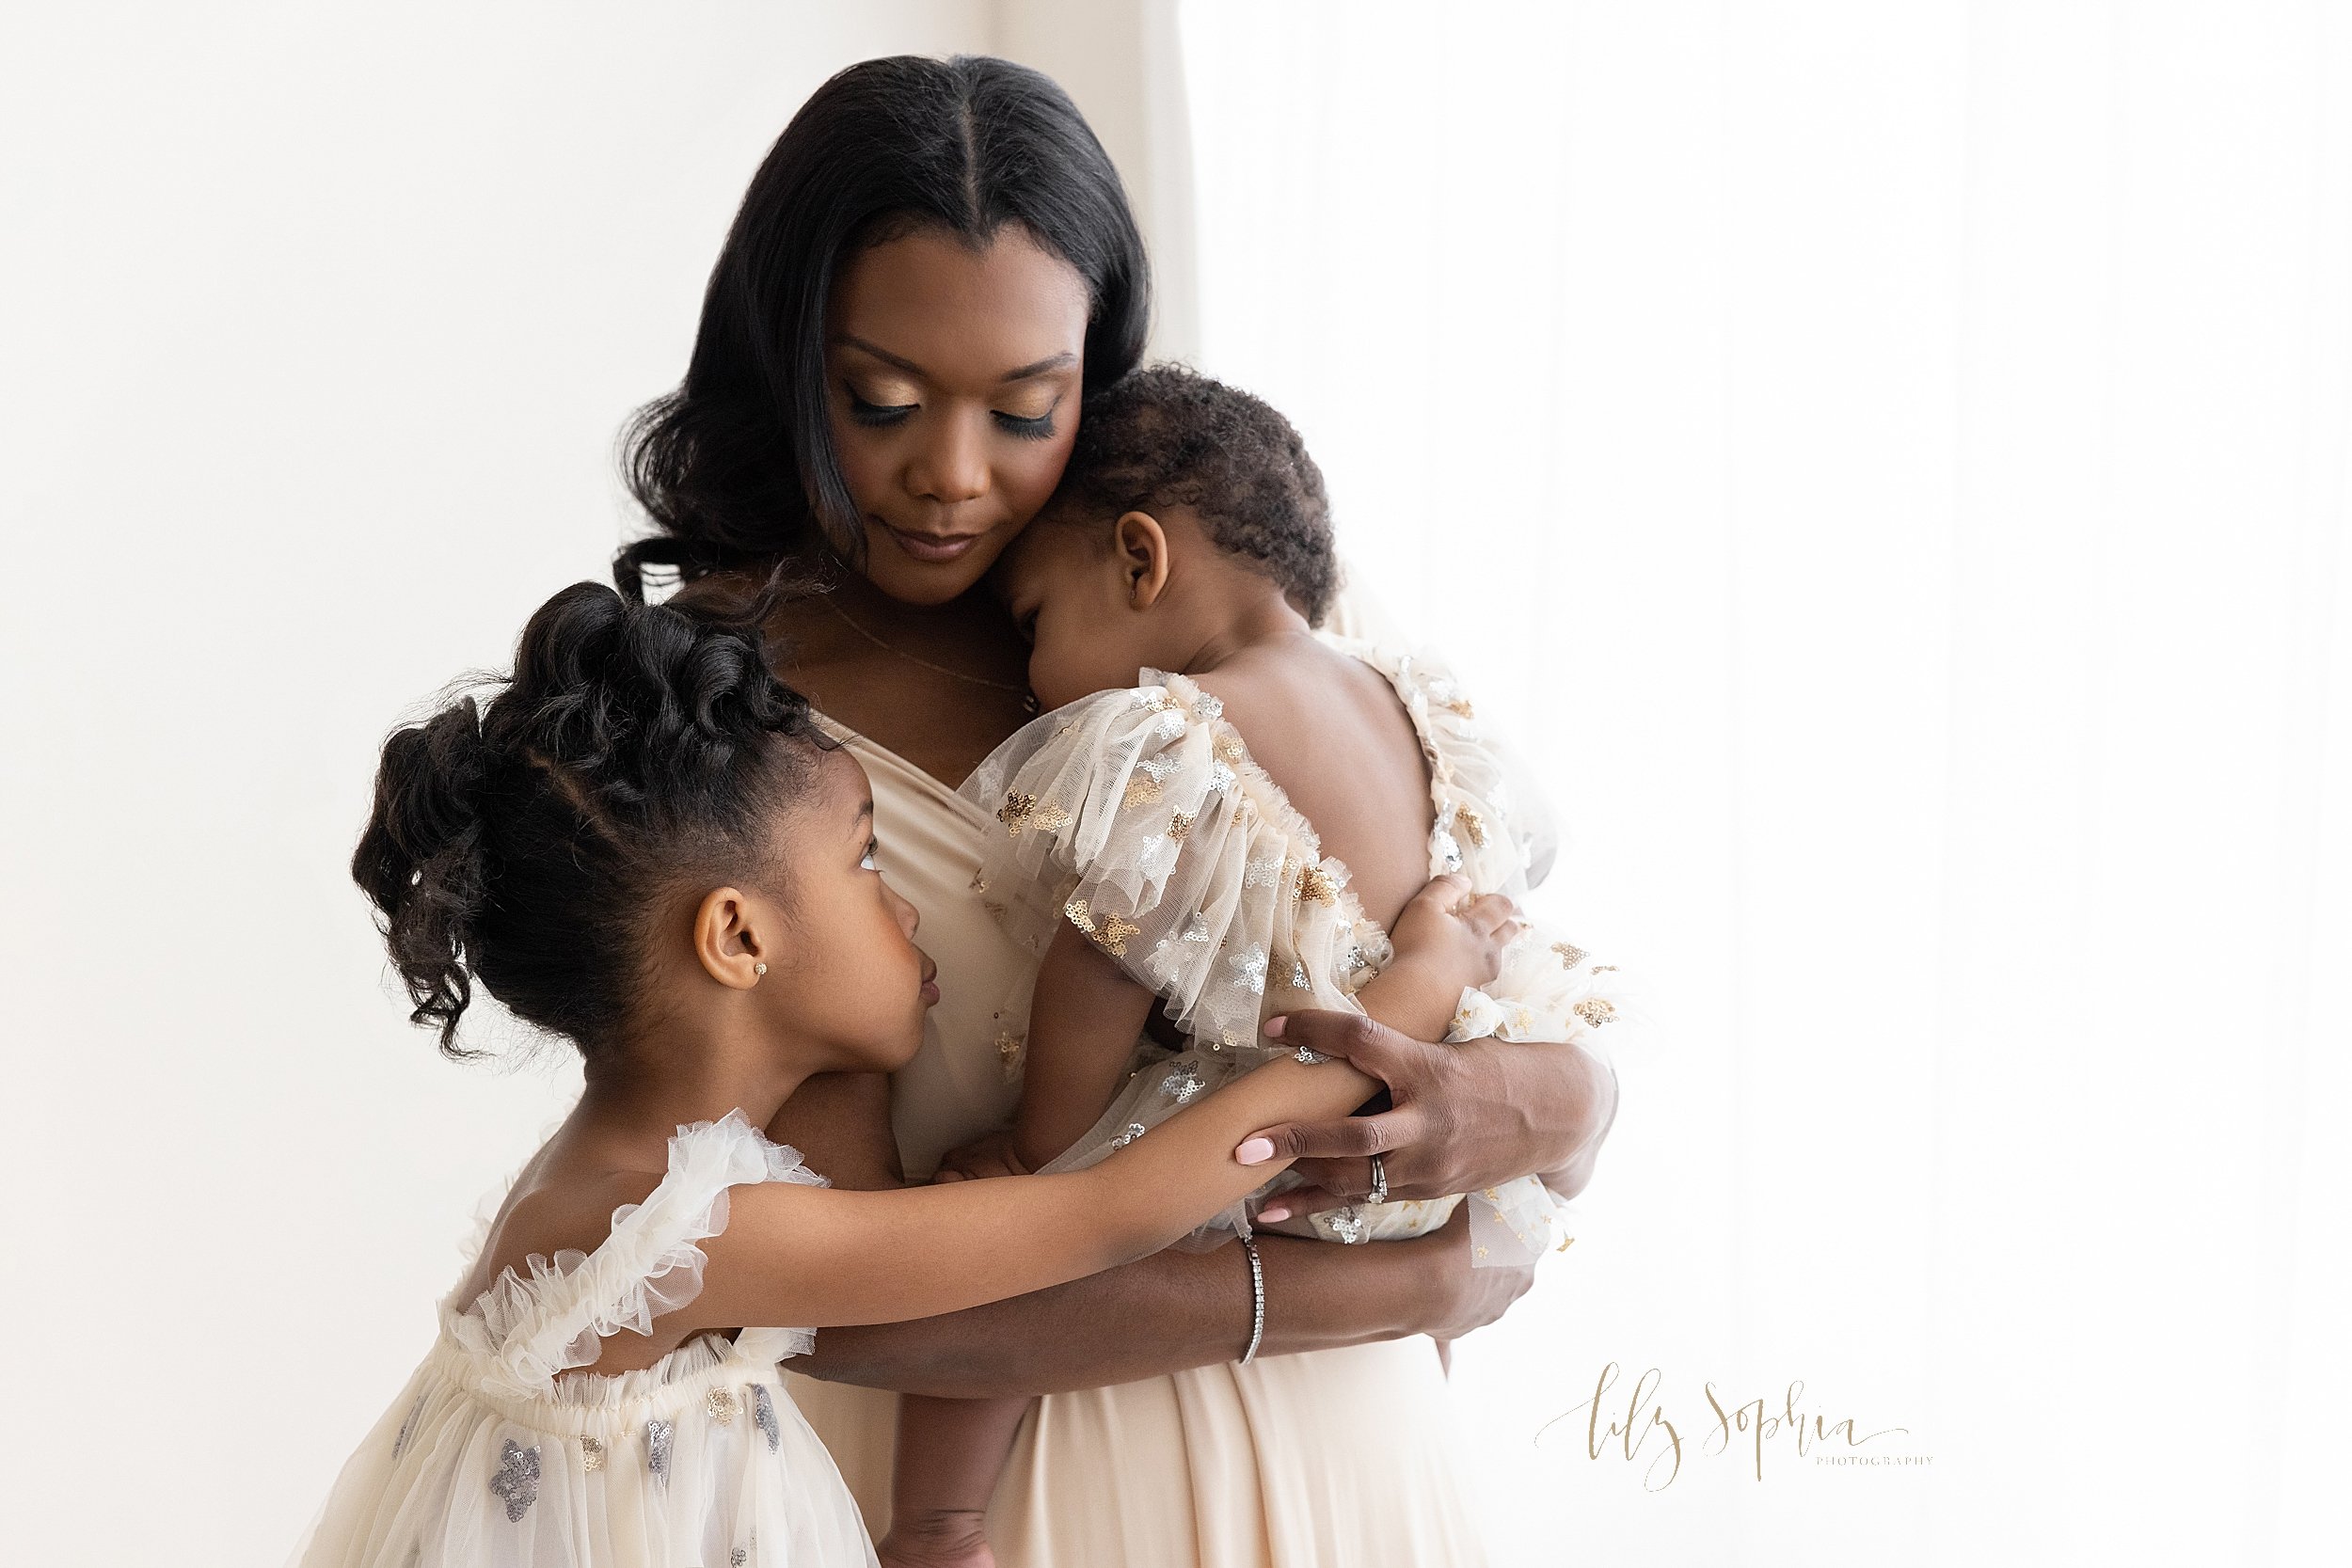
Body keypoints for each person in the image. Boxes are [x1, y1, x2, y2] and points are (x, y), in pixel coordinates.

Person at [621, 54, 1621, 1568]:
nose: (955, 478)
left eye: (1028, 409)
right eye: (881, 398)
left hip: (1357, 1475)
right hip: (1003, 1501)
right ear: (783, 359)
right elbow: (803, 1282)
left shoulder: (1236, 598)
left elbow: (1504, 988)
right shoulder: (705, 710)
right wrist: (1404, 1284)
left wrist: (1550, 1104)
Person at [292, 580, 1511, 1567]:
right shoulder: (679, 1229)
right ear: (740, 938)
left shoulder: (628, 1181)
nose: (907, 908)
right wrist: (1406, 994)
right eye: (871, 861)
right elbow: (1112, 1211)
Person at [878, 366, 1631, 1564]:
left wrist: (1038, 1152)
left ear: (1140, 560)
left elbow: (1104, 961)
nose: (1027, 674)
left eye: (1032, 622)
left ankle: (936, 1519)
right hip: (1409, 1171)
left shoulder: (1170, 737)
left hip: (1253, 1147)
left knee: (998, 1252)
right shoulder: (1410, 703)